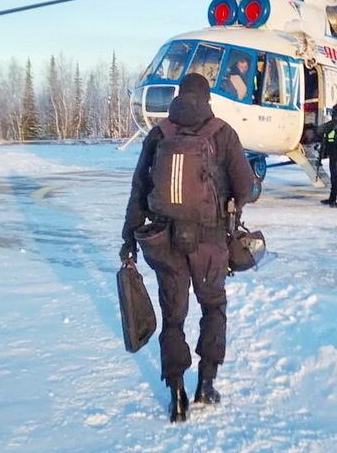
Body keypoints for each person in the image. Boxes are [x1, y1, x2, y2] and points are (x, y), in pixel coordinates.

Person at [120, 73, 255, 423]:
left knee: (173, 318)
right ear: (207, 98)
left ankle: (177, 395)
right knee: (213, 307)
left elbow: (139, 189)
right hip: (210, 243)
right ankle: (206, 385)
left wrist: (128, 240)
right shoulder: (222, 132)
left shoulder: (159, 133)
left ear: (178, 97)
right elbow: (245, 187)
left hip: (165, 242)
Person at [317, 103, 337, 208]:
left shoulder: (332, 123)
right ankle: (333, 198)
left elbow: (319, 130)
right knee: (335, 177)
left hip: (335, 153)